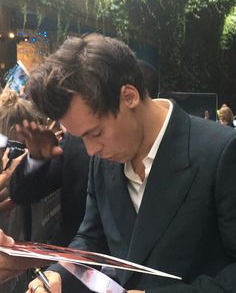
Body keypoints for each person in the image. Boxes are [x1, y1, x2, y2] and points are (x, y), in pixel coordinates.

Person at [2, 33, 236, 293]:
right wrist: (56, 276)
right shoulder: (105, 159)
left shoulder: (222, 152)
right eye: (80, 138)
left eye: (96, 133)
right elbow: (91, 238)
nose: (91, 150)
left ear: (129, 97)